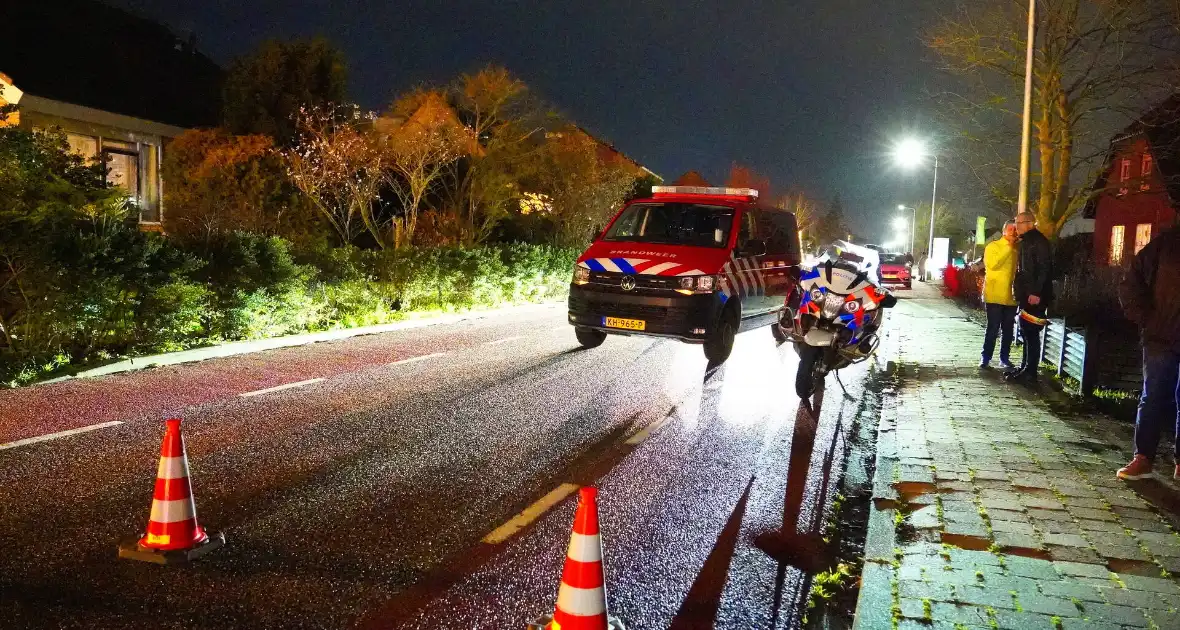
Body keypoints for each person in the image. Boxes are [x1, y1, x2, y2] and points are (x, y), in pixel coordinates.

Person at [1116, 224, 1180, 481]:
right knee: (1152, 396)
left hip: (1160, 333)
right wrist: (1146, 318)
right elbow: (1131, 280)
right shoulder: (1166, 244)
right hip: (1160, 337)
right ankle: (1143, 458)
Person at [1005, 212, 1052, 385]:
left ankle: (1030, 372)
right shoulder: (1028, 241)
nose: (1016, 226)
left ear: (1030, 223)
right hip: (1028, 294)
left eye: (1019, 223)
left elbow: (1043, 269)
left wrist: (1036, 292)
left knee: (1031, 333)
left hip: (1034, 296)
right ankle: (1025, 368)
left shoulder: (1037, 242)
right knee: (1026, 331)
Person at [980, 222, 1018, 369]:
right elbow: (993, 264)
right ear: (1004, 232)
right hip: (995, 295)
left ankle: (1004, 358)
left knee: (1008, 329)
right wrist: (1009, 247)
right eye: (1010, 229)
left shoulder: (1017, 249)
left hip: (1011, 296)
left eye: (1015, 229)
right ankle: (986, 357)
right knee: (993, 327)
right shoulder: (993, 247)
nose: (1014, 232)